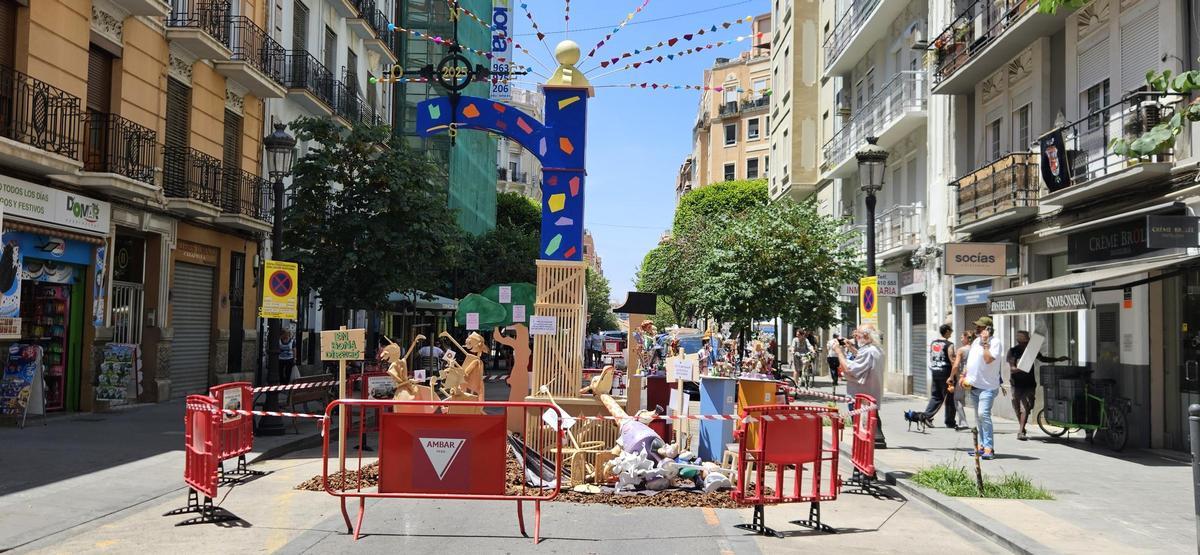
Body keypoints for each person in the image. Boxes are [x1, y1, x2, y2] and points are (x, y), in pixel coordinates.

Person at [1008, 330, 1068, 441]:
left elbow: (1043, 358)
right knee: (1018, 408)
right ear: (1019, 341)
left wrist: (1058, 359)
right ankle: (1022, 428)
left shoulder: (1032, 350)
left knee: (1027, 407)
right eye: (1024, 341)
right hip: (1016, 384)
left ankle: (1021, 430)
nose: (1026, 343)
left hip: (1029, 383)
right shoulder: (1013, 351)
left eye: (1027, 341)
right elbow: (1012, 369)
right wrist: (1021, 368)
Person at [834, 326, 886, 448]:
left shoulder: (868, 351)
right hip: (870, 394)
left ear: (867, 336)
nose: (855, 338)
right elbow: (862, 359)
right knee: (870, 424)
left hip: (860, 398)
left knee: (861, 430)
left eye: (857, 335)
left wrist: (838, 352)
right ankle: (876, 441)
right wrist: (851, 348)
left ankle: (863, 453)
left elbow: (850, 369)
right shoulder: (876, 349)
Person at [963, 316, 1004, 460]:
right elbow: (971, 361)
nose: (977, 329)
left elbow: (988, 360)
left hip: (988, 387)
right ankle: (981, 446)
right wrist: (964, 375)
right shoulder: (975, 341)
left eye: (980, 327)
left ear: (988, 329)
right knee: (978, 417)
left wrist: (985, 343)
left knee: (983, 414)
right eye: (977, 326)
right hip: (974, 385)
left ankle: (989, 448)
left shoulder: (995, 343)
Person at [908, 324, 956, 428]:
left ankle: (926, 416)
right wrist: (954, 375)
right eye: (951, 331)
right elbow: (952, 360)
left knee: (936, 396)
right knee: (949, 398)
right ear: (947, 331)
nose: (951, 333)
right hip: (946, 373)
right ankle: (950, 421)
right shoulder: (949, 344)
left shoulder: (934, 343)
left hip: (935, 372)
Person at [948, 330, 974, 431]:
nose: (960, 339)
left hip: (963, 378)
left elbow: (956, 365)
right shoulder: (977, 349)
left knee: (957, 398)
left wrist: (951, 377)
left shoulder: (961, 350)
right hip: (976, 377)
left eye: (962, 337)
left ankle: (963, 423)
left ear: (967, 338)